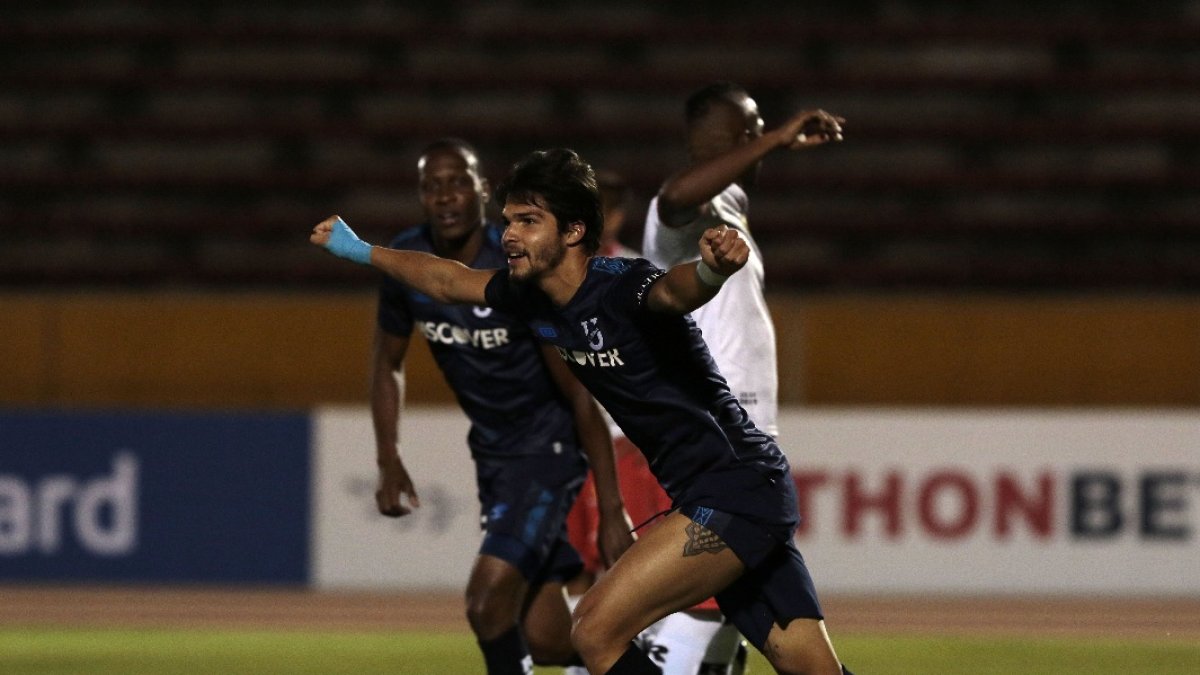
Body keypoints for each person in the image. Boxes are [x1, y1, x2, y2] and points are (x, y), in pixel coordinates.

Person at [311, 147, 852, 675]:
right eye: (508, 220)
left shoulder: (622, 286)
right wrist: (361, 250)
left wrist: (710, 272)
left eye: (528, 221)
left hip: (734, 490)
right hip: (727, 492)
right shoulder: (531, 296)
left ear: (572, 231)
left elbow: (674, 291)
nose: (510, 235)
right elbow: (446, 279)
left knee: (594, 627)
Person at [367, 138, 633, 675]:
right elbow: (386, 363)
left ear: (483, 191)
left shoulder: (516, 265)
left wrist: (610, 509)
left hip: (548, 454)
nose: (445, 196)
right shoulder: (410, 261)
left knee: (486, 604)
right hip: (494, 458)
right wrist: (388, 457)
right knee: (553, 641)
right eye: (432, 185)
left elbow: (578, 389)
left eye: (458, 181)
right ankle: (655, 664)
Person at [564, 171, 747, 675]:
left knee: (655, 580)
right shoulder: (548, 280)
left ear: (616, 215)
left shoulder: (630, 272)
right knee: (590, 578)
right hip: (587, 449)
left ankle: (705, 656)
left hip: (637, 448)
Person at [642, 81, 844, 440]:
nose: (761, 140)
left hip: (736, 408)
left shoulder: (730, 202)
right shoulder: (678, 209)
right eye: (753, 132)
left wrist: (772, 145)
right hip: (709, 408)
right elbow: (675, 197)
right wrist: (773, 140)